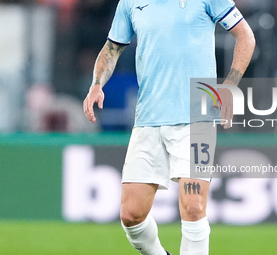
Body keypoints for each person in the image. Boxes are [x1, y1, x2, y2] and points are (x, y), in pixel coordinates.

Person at [83, 0, 255, 254]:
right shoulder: (129, 3)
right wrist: (97, 83)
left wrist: (230, 84)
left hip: (197, 115)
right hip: (149, 118)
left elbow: (245, 36)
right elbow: (112, 48)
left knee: (194, 207)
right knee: (131, 215)